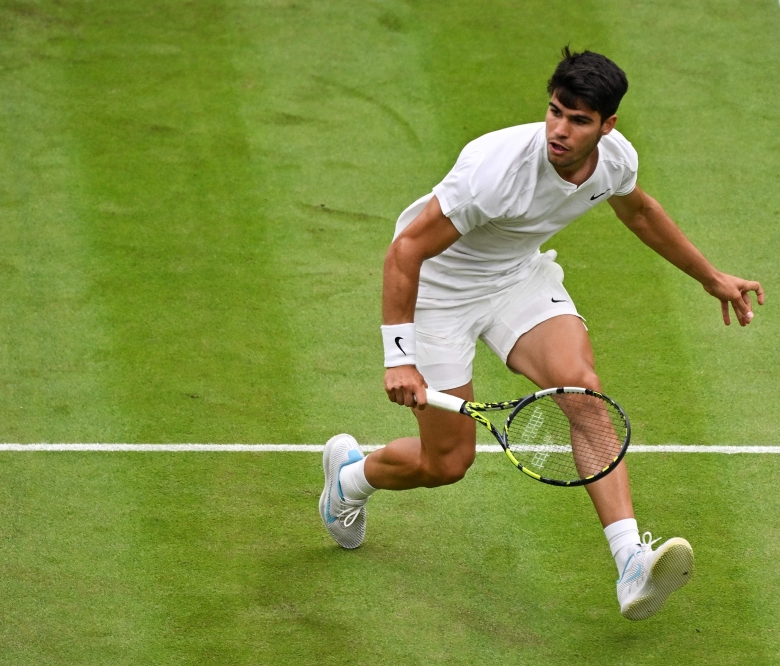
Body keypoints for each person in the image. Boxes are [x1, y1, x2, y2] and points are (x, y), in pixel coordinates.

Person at [318, 47, 765, 620]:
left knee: (583, 392)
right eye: (555, 111)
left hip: (515, 279)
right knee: (447, 464)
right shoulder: (494, 170)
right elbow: (406, 249)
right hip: (438, 294)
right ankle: (351, 479)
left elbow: (640, 212)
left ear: (608, 126)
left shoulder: (614, 161)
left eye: (579, 120)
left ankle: (630, 561)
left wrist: (710, 277)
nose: (560, 129)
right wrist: (398, 356)